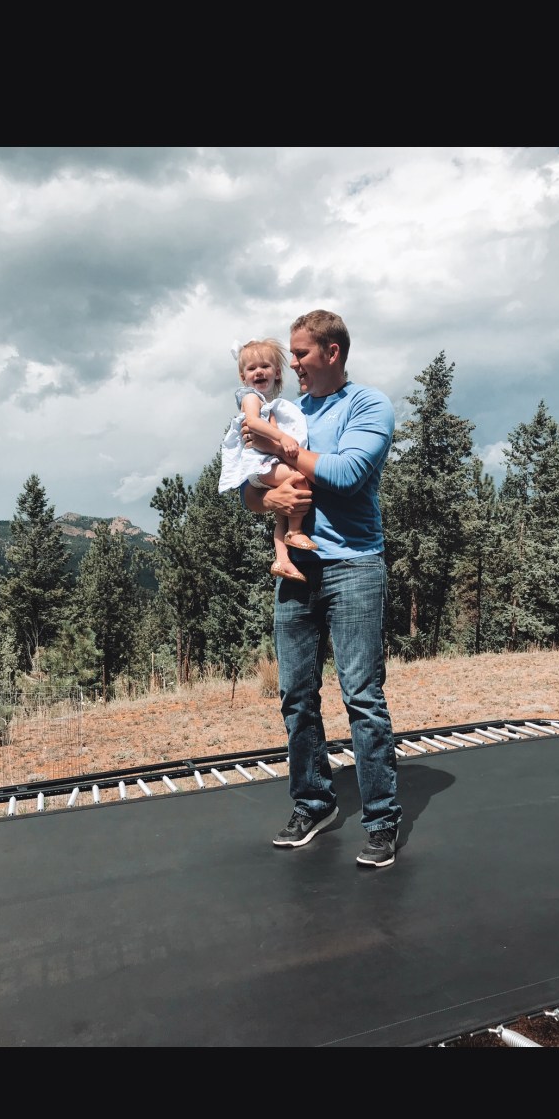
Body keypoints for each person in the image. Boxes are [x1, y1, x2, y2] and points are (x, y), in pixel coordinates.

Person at [241, 310, 402, 867]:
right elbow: (248, 489)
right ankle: (314, 803)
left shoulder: (368, 405)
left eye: (301, 353)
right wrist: (270, 499)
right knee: (296, 695)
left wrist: (277, 443)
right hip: (298, 569)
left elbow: (346, 473)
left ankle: (381, 820)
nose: (292, 365)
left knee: (362, 696)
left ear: (332, 353)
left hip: (355, 565)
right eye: (290, 354)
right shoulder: (289, 411)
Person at [219, 338, 317, 582]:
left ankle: (282, 560)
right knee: (299, 478)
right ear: (243, 377)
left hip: (263, 465)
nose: (259, 372)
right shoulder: (250, 397)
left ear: (277, 373)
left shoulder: (269, 403)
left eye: (265, 366)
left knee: (282, 510)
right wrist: (282, 437)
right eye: (251, 368)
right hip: (259, 466)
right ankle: (295, 531)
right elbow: (252, 422)